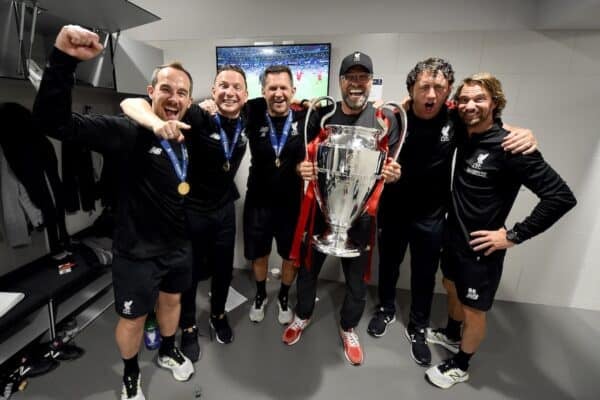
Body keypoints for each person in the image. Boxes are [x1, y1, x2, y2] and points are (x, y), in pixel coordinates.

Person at [33, 25, 194, 400]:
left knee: (172, 302)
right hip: (135, 252)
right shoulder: (126, 133)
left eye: (182, 92)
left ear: (189, 100)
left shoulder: (188, 131)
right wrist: (63, 61)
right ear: (151, 92)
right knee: (133, 318)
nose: (173, 98)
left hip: (178, 246)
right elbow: (52, 124)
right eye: (166, 89)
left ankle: (169, 350)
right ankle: (131, 374)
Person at [368, 57, 538, 367]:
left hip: (432, 214)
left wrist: (523, 132)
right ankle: (386, 308)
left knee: (424, 273)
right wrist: (383, 172)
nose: (431, 95)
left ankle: (418, 325)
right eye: (424, 87)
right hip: (394, 209)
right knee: (389, 264)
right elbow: (369, 154)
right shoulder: (393, 117)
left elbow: (491, 126)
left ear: (448, 93)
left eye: (439, 88)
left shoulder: (455, 120)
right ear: (411, 89)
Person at [424, 72, 576, 389]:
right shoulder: (465, 133)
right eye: (464, 99)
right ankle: (452, 333)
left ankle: (461, 364)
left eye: (479, 98)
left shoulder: (512, 147)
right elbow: (430, 103)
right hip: (454, 238)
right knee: (449, 284)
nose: (470, 105)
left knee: (474, 310)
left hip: (482, 250)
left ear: (495, 102)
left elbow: (560, 197)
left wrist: (512, 235)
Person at [120, 64, 249, 359]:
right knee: (188, 276)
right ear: (212, 91)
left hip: (224, 209)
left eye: (236, 87)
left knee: (223, 270)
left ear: (246, 94)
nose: (230, 92)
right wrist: (154, 125)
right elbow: (132, 103)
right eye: (223, 86)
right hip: (192, 209)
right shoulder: (197, 115)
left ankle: (218, 315)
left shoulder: (250, 115)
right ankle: (188, 326)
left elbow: (290, 106)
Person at [282, 51, 402, 366]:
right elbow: (304, 158)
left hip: (360, 216)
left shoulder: (383, 120)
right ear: (341, 81)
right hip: (321, 210)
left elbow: (389, 162)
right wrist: (301, 170)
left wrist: (393, 172)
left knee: (357, 279)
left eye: (363, 77)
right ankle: (302, 315)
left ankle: (348, 327)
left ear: (369, 82)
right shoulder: (322, 112)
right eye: (351, 77)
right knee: (308, 270)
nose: (357, 83)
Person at [242, 65, 306, 324]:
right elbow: (236, 103)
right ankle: (260, 294)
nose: (278, 93)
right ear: (263, 91)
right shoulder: (253, 113)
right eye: (272, 88)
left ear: (293, 90)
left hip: (292, 204)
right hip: (258, 201)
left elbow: (334, 109)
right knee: (259, 254)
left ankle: (283, 296)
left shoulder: (306, 117)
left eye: (284, 88)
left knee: (290, 256)